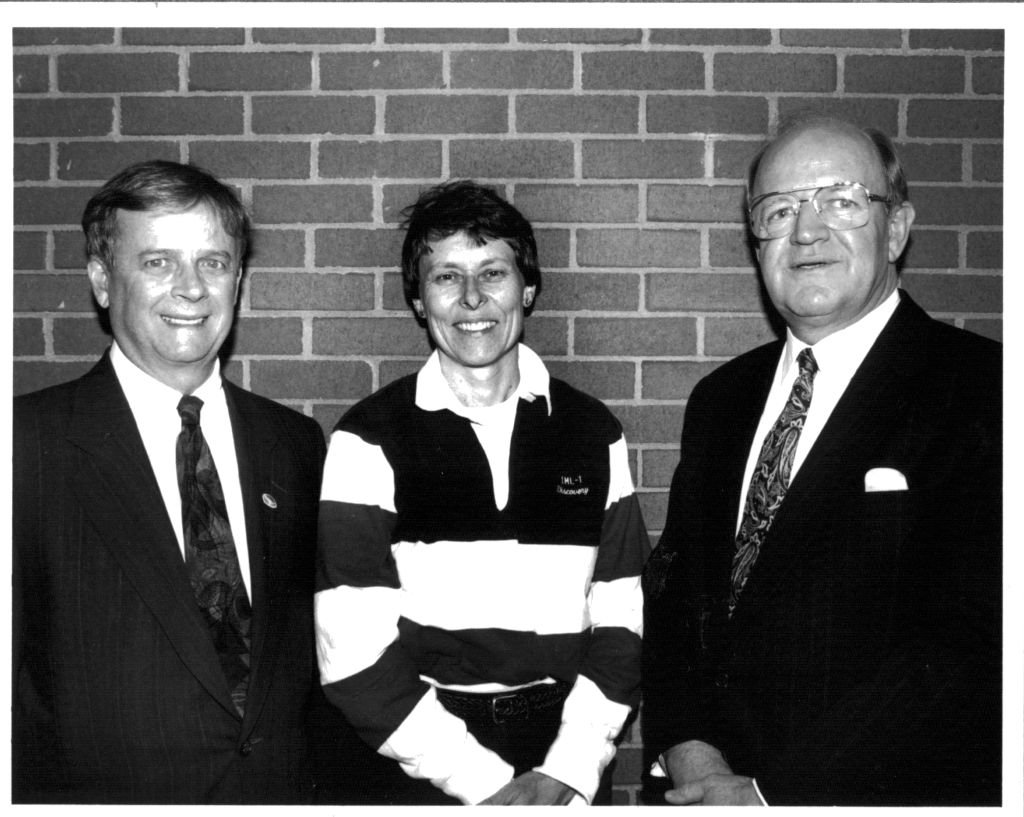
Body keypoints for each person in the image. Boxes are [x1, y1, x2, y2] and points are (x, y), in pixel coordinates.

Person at [641, 117, 1001, 806]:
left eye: (840, 200)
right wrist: (692, 758)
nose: (806, 231)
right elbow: (676, 603)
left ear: (895, 229)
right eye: (778, 211)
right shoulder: (720, 400)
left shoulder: (983, 391)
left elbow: (970, 645)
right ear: (756, 244)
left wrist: (773, 794)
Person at [315, 180, 648, 805]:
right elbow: (352, 655)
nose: (472, 299)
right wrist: (483, 783)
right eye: (446, 277)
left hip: (562, 756)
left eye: (492, 272)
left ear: (528, 288)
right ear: (418, 300)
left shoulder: (593, 433)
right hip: (416, 758)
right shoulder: (367, 440)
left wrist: (568, 769)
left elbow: (623, 618)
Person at [13, 160, 329, 803]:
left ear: (237, 281)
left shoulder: (295, 444)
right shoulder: (26, 445)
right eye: (158, 262)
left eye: (213, 263)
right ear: (103, 281)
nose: (191, 289)